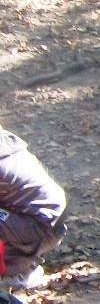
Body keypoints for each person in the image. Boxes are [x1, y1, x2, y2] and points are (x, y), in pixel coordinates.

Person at [0, 123, 67, 290]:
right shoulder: (6, 146)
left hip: (39, 228)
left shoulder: (2, 166)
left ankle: (18, 273)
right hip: (41, 222)